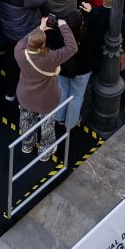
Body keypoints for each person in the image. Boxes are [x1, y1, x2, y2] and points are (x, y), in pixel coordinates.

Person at [16, 15, 78, 153]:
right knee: (47, 125)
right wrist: (63, 26)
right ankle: (45, 151)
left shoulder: (19, 52)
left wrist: (40, 28)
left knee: (26, 121)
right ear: (43, 44)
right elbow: (72, 47)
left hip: (25, 96)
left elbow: (24, 41)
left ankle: (27, 145)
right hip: (46, 99)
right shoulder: (50, 58)